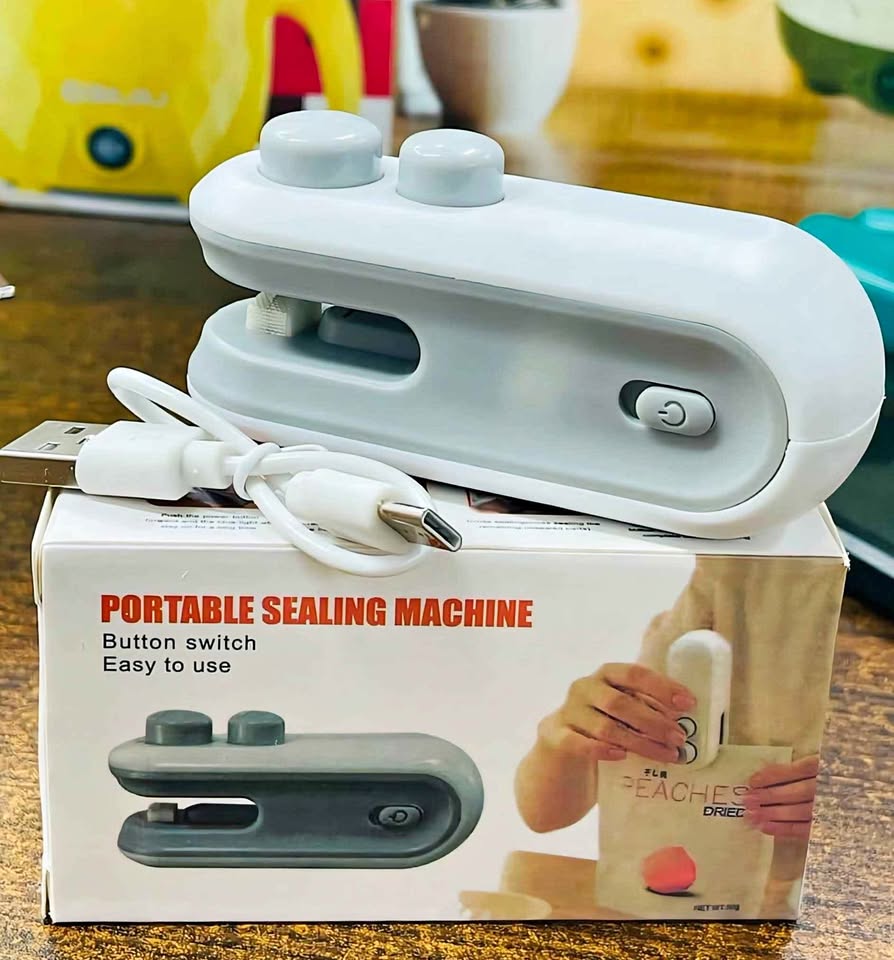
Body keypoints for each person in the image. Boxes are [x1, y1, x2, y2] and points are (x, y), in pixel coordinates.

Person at [515, 555, 844, 917]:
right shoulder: (737, 575)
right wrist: (566, 736)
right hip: (694, 901)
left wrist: (854, 811)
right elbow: (543, 814)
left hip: (803, 904)